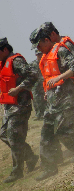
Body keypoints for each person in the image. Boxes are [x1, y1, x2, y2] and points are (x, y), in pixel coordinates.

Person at [30, 24, 74, 180]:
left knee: (65, 132)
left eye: (39, 45)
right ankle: (49, 167)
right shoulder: (45, 56)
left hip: (66, 97)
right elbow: (47, 78)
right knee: (46, 133)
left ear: (46, 40)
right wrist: (47, 92)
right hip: (52, 100)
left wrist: (60, 78)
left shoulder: (61, 50)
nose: (38, 49)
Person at [0, 38, 39, 183]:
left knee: (14, 137)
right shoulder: (3, 62)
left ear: (4, 50)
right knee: (4, 134)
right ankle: (30, 156)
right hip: (9, 106)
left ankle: (17, 171)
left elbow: (33, 75)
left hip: (20, 105)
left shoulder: (16, 61)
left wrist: (18, 88)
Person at [29, 49, 46, 120]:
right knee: (35, 100)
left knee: (44, 99)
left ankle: (44, 114)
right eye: (38, 54)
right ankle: (38, 114)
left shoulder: (46, 62)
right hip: (35, 85)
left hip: (44, 84)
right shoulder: (32, 64)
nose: (39, 56)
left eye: (40, 54)